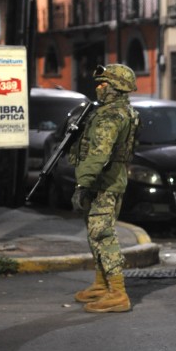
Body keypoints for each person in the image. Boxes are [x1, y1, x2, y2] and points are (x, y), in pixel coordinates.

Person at [70, 64, 140, 313]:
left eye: (104, 84)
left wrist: (82, 183)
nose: (99, 88)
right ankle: (102, 285)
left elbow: (98, 155)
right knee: (95, 234)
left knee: (103, 235)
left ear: (116, 87)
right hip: (107, 182)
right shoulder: (120, 112)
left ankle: (118, 293)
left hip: (104, 184)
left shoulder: (111, 116)